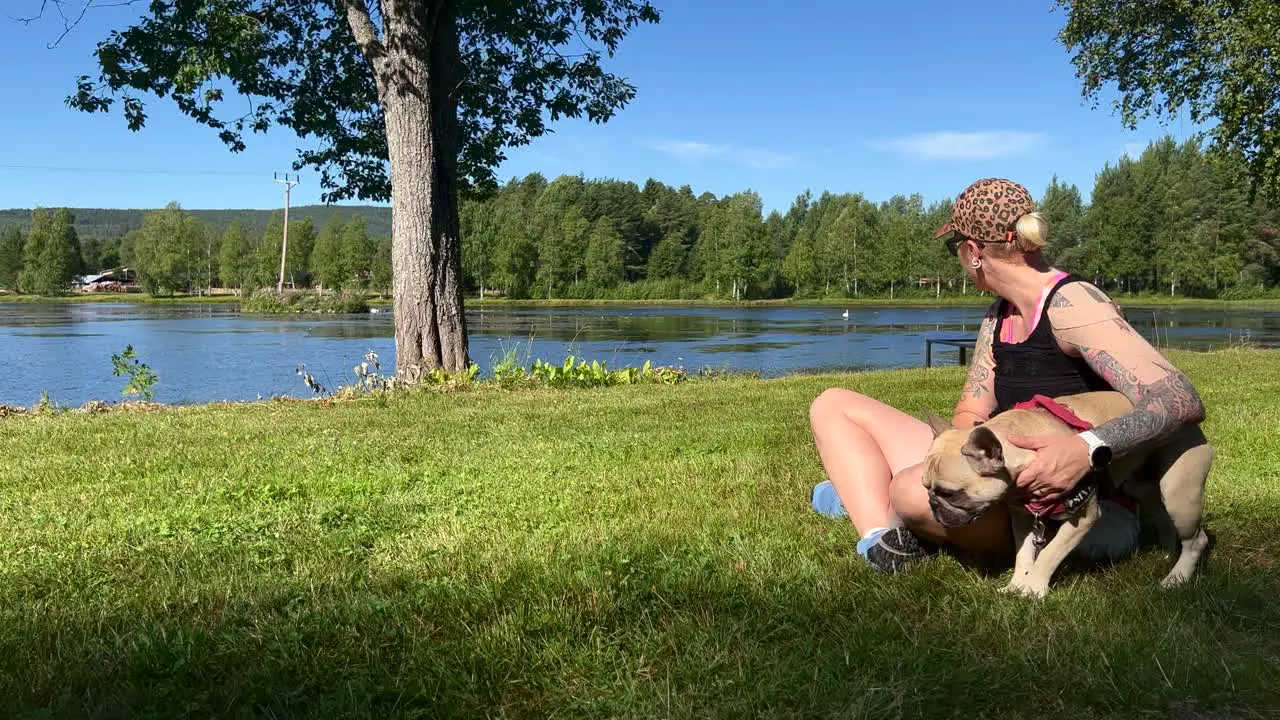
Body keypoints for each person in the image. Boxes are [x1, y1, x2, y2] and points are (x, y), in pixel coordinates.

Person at [808, 178, 1207, 573]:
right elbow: (971, 411)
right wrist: (950, 454)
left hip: (1070, 503)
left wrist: (1085, 449)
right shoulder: (1001, 314)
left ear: (973, 251)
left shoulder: (1074, 305)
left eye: (955, 249)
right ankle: (880, 537)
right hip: (998, 468)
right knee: (834, 406)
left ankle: (880, 498)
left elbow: (1181, 400)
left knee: (911, 492)